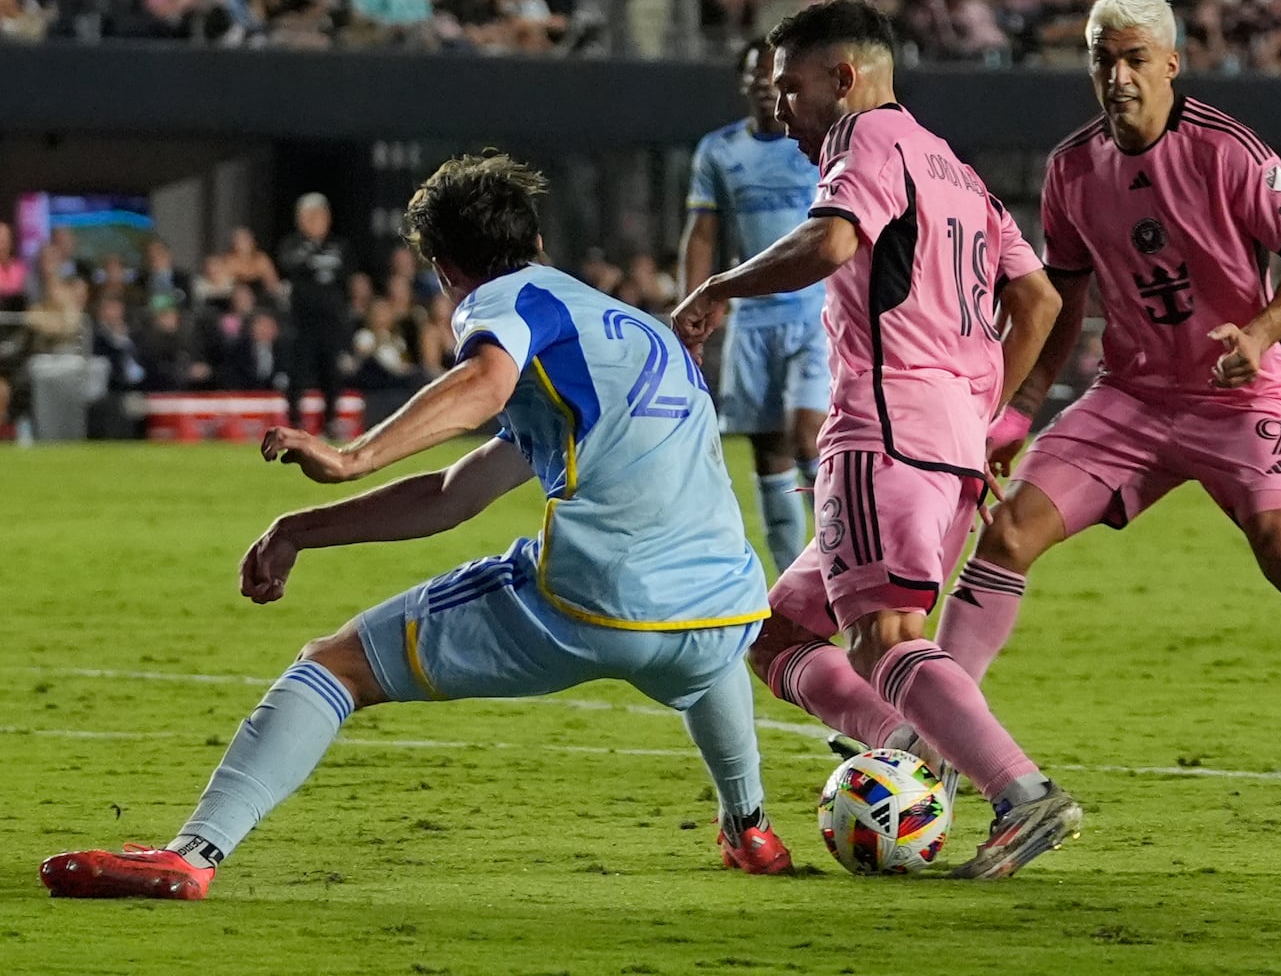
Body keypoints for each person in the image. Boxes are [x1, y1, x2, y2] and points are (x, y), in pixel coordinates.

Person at [39, 151, 790, 902]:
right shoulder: (617, 329)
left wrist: (352, 455)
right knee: (702, 658)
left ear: (443, 270)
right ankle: (749, 826)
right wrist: (302, 529)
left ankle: (192, 854)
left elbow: (485, 380)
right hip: (726, 608)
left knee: (333, 666)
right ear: (537, 242)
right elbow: (452, 494)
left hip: (599, 600)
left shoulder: (508, 301)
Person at [932, 0, 1281, 797]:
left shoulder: (1227, 149)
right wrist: (1020, 410)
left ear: (1171, 64)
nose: (1119, 75)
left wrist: (1264, 332)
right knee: (1005, 536)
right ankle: (942, 741)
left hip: (1241, 396)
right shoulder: (1071, 167)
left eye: (1135, 58)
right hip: (1131, 397)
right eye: (1103, 59)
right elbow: (1061, 301)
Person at [672, 0, 1076, 880]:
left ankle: (1021, 793)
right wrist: (990, 413)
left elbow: (828, 243)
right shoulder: (957, 170)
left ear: (845, 78)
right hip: (949, 444)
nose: (781, 107)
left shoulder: (868, 141)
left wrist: (719, 289)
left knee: (886, 637)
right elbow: (1039, 299)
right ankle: (909, 745)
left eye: (792, 86)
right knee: (773, 634)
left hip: (883, 431)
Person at [678, 39, 826, 576]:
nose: (766, 84)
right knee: (769, 453)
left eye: (775, 75)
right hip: (753, 317)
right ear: (743, 84)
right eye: (756, 75)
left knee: (806, 430)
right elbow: (702, 234)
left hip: (816, 311)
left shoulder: (815, 144)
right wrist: (691, 307)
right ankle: (793, 584)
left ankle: (841, 559)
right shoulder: (718, 151)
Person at [275, 193, 354, 433]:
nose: (316, 222)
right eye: (310, 217)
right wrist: (315, 264)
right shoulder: (291, 245)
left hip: (331, 322)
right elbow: (290, 266)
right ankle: (294, 421)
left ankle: (330, 421)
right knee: (297, 373)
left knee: (332, 373)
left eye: (320, 216)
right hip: (302, 321)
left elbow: (346, 276)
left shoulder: (339, 247)